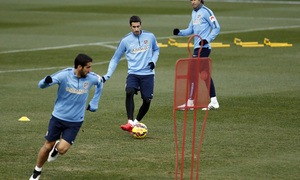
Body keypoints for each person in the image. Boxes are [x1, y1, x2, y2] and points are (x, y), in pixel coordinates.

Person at [29, 53, 104, 180]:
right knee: (47, 146)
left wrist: (94, 102)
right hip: (58, 117)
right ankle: (37, 171)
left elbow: (100, 82)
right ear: (79, 67)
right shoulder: (64, 75)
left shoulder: (91, 77)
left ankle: (56, 148)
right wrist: (44, 82)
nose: (90, 70)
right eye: (88, 67)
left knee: (62, 150)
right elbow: (43, 84)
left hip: (75, 121)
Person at [102, 15, 159, 132]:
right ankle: (129, 120)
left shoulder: (150, 36)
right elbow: (115, 58)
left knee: (147, 100)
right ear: (130, 26)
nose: (136, 29)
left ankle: (135, 123)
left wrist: (153, 61)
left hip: (148, 74)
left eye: (138, 26)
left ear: (141, 25)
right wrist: (108, 74)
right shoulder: (125, 41)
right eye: (134, 27)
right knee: (129, 91)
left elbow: (156, 49)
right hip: (133, 73)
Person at [173, 0, 220, 110]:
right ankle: (213, 101)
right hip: (197, 48)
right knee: (205, 75)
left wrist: (207, 40)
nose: (193, 2)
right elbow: (191, 29)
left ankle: (191, 102)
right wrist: (179, 32)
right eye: (191, 0)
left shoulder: (207, 12)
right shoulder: (194, 13)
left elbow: (217, 27)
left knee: (192, 73)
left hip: (204, 48)